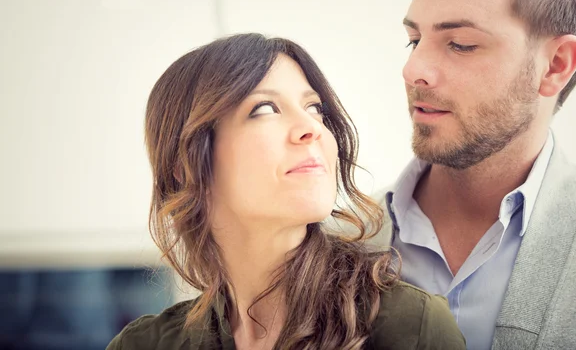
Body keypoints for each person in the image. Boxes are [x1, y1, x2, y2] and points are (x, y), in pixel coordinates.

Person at [106, 33, 465, 349]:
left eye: (315, 108)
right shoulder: (143, 344)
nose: (311, 127)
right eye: (265, 108)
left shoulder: (411, 328)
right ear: (186, 165)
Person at [379, 0, 576, 349]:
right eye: (414, 40)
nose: (413, 70)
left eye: (460, 44)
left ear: (555, 65)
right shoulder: (335, 241)